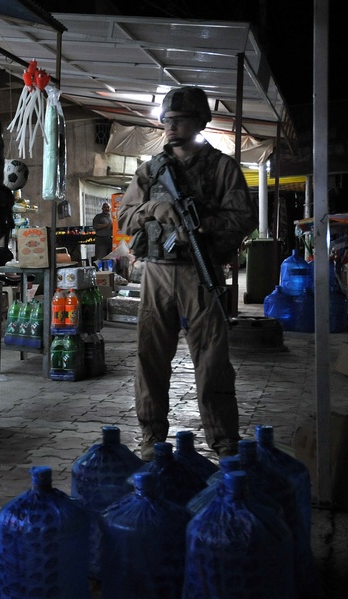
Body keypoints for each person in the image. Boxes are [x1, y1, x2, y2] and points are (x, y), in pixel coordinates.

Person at [119, 85, 255, 461]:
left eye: (180, 121)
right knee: (150, 357)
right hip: (157, 273)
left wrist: (202, 226)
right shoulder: (150, 170)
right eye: (167, 121)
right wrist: (154, 211)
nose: (171, 127)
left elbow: (243, 217)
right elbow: (125, 216)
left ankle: (224, 440)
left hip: (201, 270)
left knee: (211, 359)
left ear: (200, 122)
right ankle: (151, 437)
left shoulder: (221, 167)